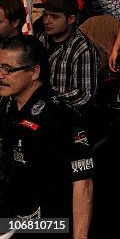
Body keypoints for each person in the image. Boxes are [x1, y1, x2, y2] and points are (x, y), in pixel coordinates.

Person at [0, 36, 94, 237]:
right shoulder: (5, 106)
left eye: (7, 69)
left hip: (50, 224)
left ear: (34, 72)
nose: (1, 75)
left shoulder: (61, 116)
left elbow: (83, 184)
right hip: (10, 217)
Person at [36, 0, 99, 107]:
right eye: (45, 15)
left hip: (64, 115)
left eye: (54, 17)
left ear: (71, 19)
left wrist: (50, 100)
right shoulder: (41, 37)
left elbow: (85, 95)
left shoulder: (82, 48)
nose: (46, 21)